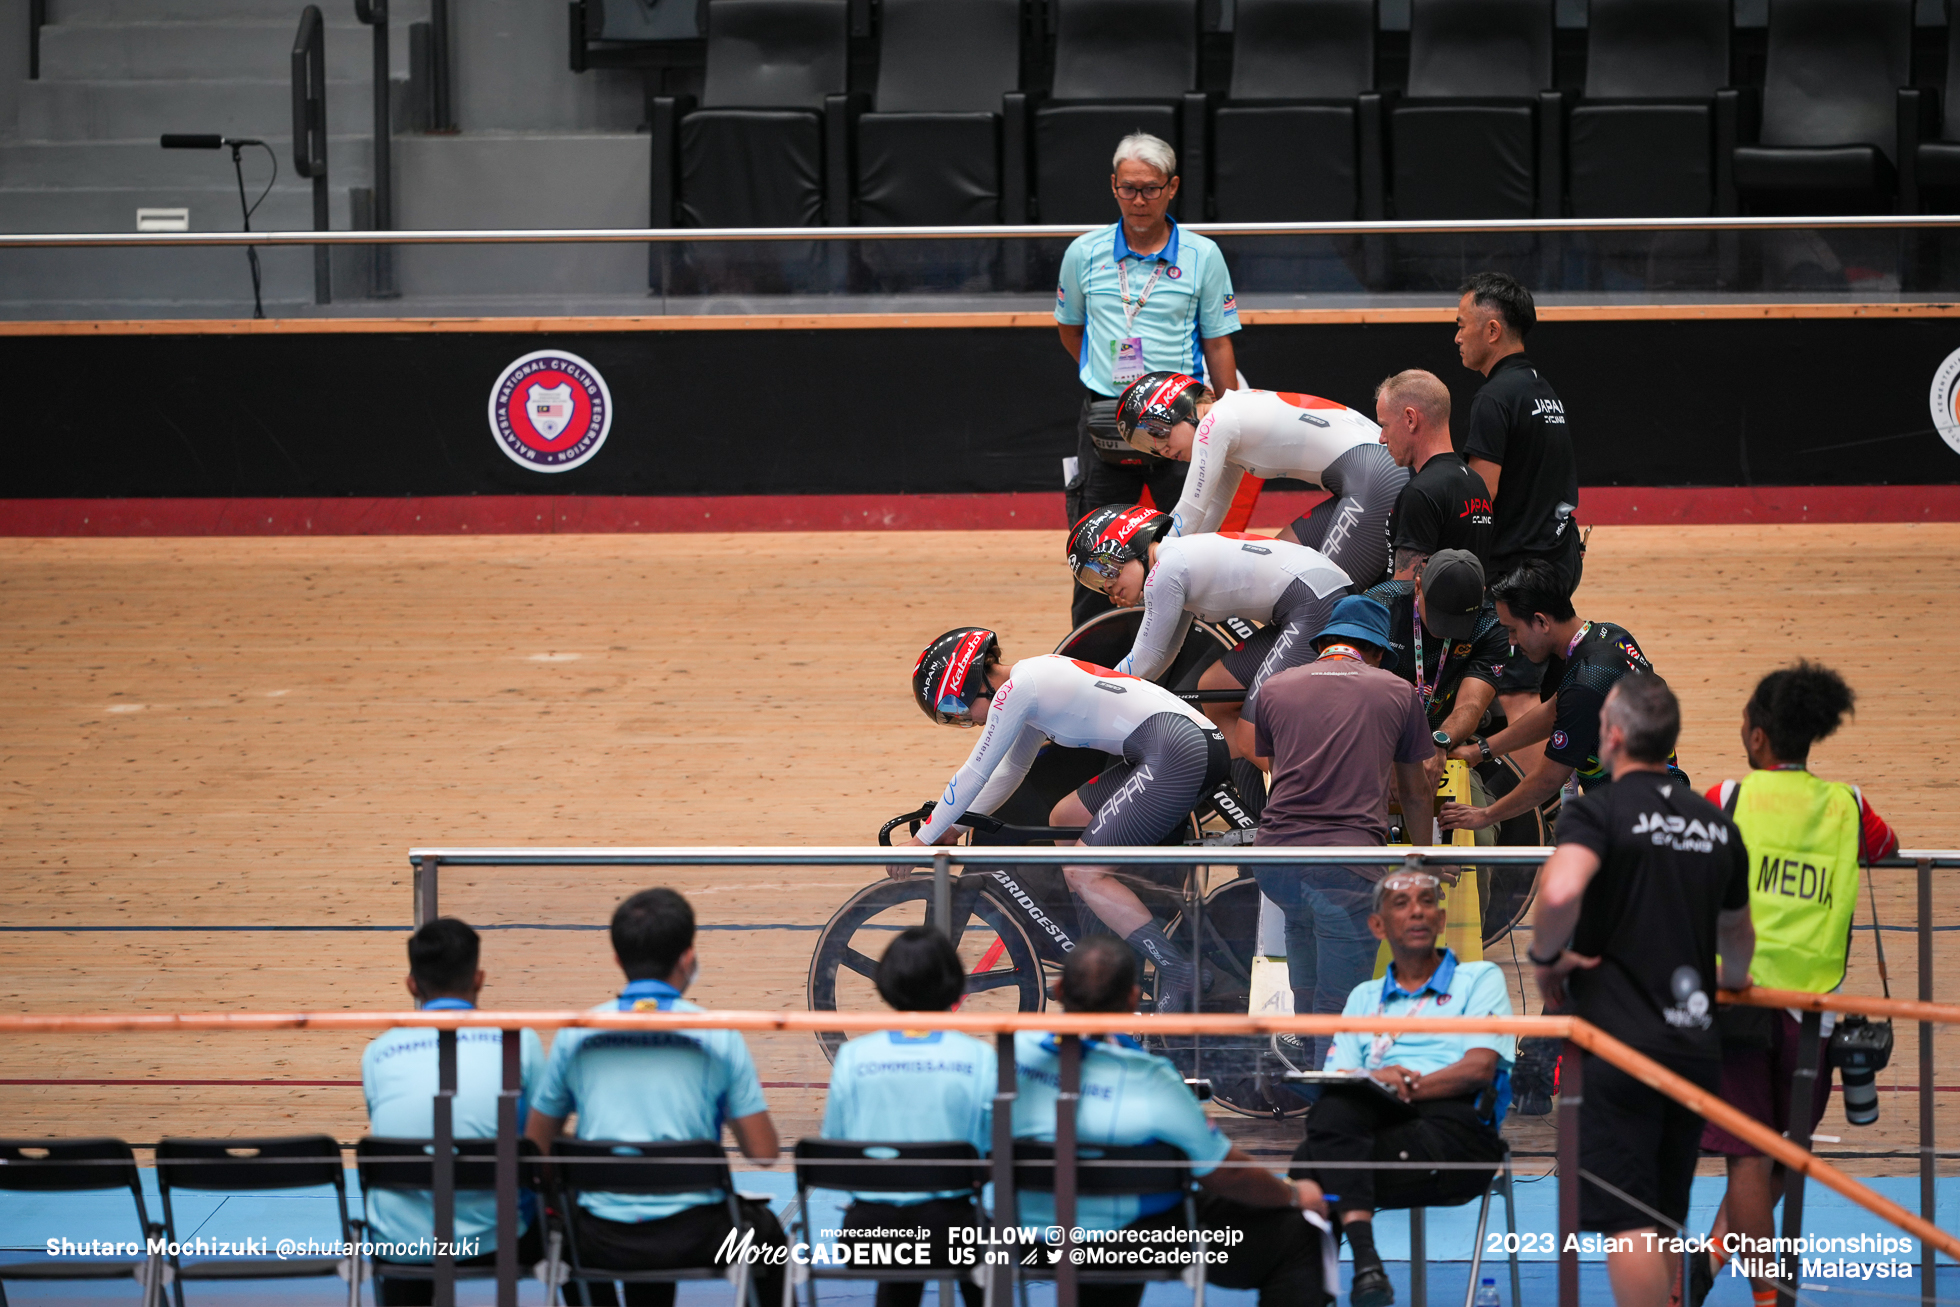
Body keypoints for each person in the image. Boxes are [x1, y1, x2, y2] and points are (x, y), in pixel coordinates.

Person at [1528, 675, 1754, 1307]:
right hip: (1692, 1043)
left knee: (1628, 1219)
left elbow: (1562, 890)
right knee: (1664, 1212)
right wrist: (1733, 989)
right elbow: (1738, 935)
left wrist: (1547, 959)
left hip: (1618, 1044)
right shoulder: (1714, 822)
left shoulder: (1597, 810)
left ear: (1617, 735)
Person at [1684, 663, 1900, 1307]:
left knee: (1750, 1156)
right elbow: (1887, 847)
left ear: (1756, 738)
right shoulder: (1849, 805)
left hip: (1737, 1000)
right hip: (1815, 1010)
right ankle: (1714, 1270)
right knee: (1784, 1153)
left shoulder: (1726, 799)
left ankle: (1753, 1290)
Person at [898, 629, 1233, 1011]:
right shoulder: (1030, 684)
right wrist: (953, 828)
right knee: (1066, 816)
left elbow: (976, 771)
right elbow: (1009, 772)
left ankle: (1179, 971)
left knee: (1082, 871)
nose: (967, 723)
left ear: (970, 686)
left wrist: (924, 839)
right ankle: (1101, 963)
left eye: (956, 713)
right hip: (1173, 745)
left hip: (1178, 750)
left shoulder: (1018, 690)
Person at [1012, 936, 1330, 1307]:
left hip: (1022, 1241)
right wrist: (1293, 1194)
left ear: (1059, 989)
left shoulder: (1010, 1057)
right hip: (1129, 1245)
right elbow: (1225, 1173)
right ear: (1132, 999)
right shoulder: (1152, 1078)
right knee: (1297, 1235)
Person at [525, 889, 788, 1307]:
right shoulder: (719, 1034)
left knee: (557, 1223)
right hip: (698, 1236)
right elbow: (763, 1151)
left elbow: (534, 1148)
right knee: (770, 1236)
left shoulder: (575, 1034)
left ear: (617, 960)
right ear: (688, 957)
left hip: (599, 1237)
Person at [1289, 871, 1513, 1307]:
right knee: (1335, 1115)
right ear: (1377, 925)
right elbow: (1341, 1081)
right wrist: (1378, 1085)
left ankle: (1347, 1272)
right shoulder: (1363, 996)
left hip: (1457, 1133)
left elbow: (1479, 1068)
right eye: (1401, 903)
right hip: (1375, 1135)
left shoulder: (1479, 978)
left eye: (1426, 902)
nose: (1416, 911)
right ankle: (1366, 1266)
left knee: (1309, 1170)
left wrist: (1405, 1086)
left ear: (1441, 918)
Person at [1056, 133, 1242, 628]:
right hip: (1104, 422)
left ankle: (1193, 643)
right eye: (1129, 189)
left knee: (1189, 547)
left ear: (1173, 186)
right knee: (1096, 545)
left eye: (1151, 189)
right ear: (1114, 187)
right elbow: (1070, 329)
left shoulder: (1203, 256)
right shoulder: (1082, 254)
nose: (1139, 200)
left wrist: (1231, 416)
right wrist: (1109, 384)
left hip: (1179, 428)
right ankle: (1089, 650)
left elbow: (1219, 340)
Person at [1245, 595, 1434, 1070]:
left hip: (1276, 864)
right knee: (1341, 999)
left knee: (1305, 970)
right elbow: (1416, 790)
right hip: (1347, 868)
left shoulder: (1275, 686)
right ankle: (1330, 1100)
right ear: (1373, 651)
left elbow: (1277, 770)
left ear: (1326, 643)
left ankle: (1311, 1076)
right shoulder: (1395, 691)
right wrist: (1422, 859)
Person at [1066, 503, 1352, 757]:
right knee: (1216, 685)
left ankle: (1304, 809)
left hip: (1314, 602)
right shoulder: (1171, 563)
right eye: (1095, 582)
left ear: (1129, 547)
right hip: (1308, 599)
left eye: (1105, 570)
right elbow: (1164, 655)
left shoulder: (1166, 572)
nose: (1107, 587)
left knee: (1252, 738)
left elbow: (1147, 658)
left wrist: (1088, 701)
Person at [361, 918, 545, 1305]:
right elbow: (538, 1145)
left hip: (404, 1248)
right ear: (478, 978)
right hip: (501, 1241)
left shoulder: (378, 1051)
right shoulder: (519, 1041)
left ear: (412, 983)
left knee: (406, 1224)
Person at [1439, 559, 1683, 837]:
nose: (1511, 642)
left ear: (1541, 621)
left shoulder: (1586, 684)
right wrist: (1480, 751)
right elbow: (1552, 711)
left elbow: (1548, 779)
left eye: (1513, 630)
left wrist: (1483, 816)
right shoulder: (1610, 635)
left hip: (1635, 823)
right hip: (1662, 796)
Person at [821, 927, 996, 1307]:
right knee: (981, 1245)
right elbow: (994, 1155)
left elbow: (833, 1151)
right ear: (953, 983)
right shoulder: (979, 1058)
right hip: (951, 1230)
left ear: (886, 983)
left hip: (869, 1235)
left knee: (907, 1255)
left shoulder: (853, 1057)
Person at [1116, 370, 1406, 588]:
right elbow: (1212, 511)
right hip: (1373, 475)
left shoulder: (1215, 424)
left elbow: (1189, 511)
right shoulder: (1228, 419)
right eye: (1146, 445)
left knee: (1316, 594)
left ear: (1180, 411)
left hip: (1375, 478)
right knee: (1276, 568)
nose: (1159, 449)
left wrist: (1148, 560)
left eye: (1157, 433)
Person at [1454, 273, 1579, 742]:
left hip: (1519, 575)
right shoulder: (1542, 389)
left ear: (1492, 330)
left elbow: (1478, 501)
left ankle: (1545, 808)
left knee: (1514, 694)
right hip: (1555, 559)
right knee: (1543, 693)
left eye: (1462, 324)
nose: (1457, 336)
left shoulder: (1493, 398)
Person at [1362, 550, 1507, 773]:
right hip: (1372, 734)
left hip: (1441, 736)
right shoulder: (1379, 606)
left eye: (1458, 620)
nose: (1445, 629)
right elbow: (1352, 692)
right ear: (1418, 586)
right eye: (1439, 614)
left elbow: (1472, 704)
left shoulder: (1489, 625)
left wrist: (1440, 742)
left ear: (1481, 596)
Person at [1374, 369, 1493, 576]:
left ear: (1410, 419)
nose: (1382, 438)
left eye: (1385, 425)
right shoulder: (1476, 483)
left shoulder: (1420, 492)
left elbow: (1406, 591)